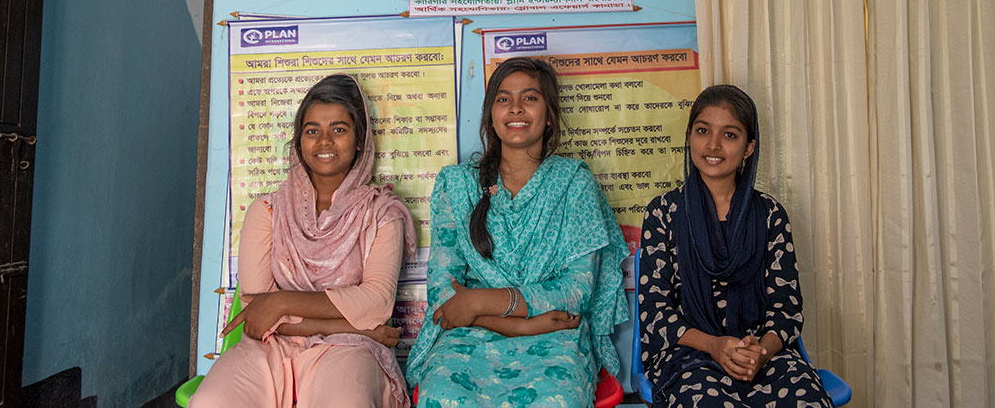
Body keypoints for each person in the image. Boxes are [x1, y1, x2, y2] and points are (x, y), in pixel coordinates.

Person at [406, 57, 629, 407]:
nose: (516, 109)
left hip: (556, 339)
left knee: (558, 399)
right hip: (469, 337)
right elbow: (444, 298)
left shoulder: (574, 183)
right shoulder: (457, 184)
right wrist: (523, 325)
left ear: (550, 112)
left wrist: (478, 301)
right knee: (442, 395)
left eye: (530, 98)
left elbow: (576, 292)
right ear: (490, 114)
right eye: (503, 99)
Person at [191, 75, 416, 408]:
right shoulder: (267, 211)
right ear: (298, 141)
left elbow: (375, 304)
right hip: (272, 346)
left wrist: (282, 303)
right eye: (312, 131)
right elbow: (257, 313)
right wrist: (363, 328)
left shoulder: (382, 214)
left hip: (348, 349)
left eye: (339, 129)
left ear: (359, 141)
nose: (324, 141)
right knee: (210, 401)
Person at [638, 85, 832, 408]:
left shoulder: (770, 216)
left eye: (729, 135)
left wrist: (761, 351)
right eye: (703, 131)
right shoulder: (662, 214)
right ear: (689, 137)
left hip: (762, 355)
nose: (713, 145)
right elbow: (655, 313)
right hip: (690, 357)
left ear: (748, 148)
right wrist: (715, 346)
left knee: (807, 400)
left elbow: (787, 309)